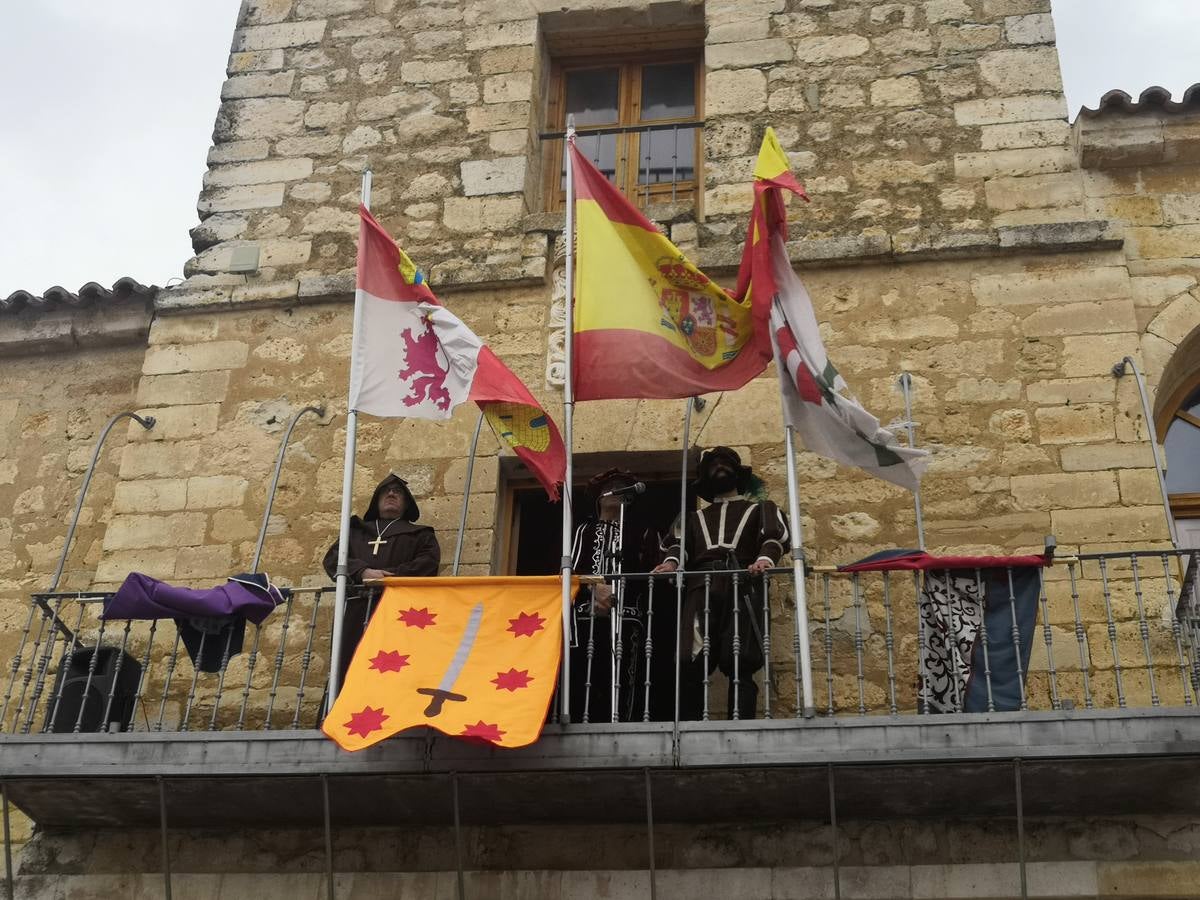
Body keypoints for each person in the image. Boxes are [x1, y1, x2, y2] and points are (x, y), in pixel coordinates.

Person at [653, 447, 788, 720]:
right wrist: (671, 564)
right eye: (714, 464)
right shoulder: (692, 518)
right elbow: (678, 546)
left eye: (726, 463)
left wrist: (764, 561)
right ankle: (689, 725)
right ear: (704, 476)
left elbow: (773, 539)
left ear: (738, 473)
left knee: (741, 655)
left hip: (743, 583)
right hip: (701, 586)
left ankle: (741, 724)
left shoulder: (761, 509)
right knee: (691, 656)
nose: (720, 467)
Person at [323, 472, 440, 685]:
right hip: (356, 610)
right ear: (377, 500)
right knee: (348, 665)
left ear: (407, 504)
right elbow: (332, 559)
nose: (392, 494)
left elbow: (428, 563)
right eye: (386, 491)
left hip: (398, 610)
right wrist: (361, 572)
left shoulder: (421, 535)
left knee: (392, 668)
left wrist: (391, 577)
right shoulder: (355, 532)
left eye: (398, 492)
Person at [569, 468, 648, 723]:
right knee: (584, 674)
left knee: (624, 675)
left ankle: (622, 723)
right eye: (610, 487)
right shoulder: (583, 530)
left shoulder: (640, 533)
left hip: (626, 615)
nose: (616, 492)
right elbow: (571, 568)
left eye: (622, 488)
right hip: (586, 614)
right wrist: (594, 587)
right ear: (599, 497)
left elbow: (648, 570)